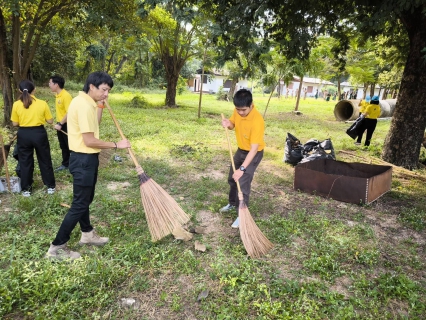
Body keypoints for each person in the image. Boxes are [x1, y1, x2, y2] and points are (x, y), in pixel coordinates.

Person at [46, 71, 131, 260]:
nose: (106, 94)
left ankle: (87, 233)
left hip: (87, 159)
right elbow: (90, 140)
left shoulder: (86, 102)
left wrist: (100, 104)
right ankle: (57, 247)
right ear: (92, 86)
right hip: (83, 158)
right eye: (104, 90)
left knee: (85, 199)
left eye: (108, 91)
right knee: (79, 204)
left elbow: (96, 123)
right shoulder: (83, 105)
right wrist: (116, 145)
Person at [219, 89, 265, 228]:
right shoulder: (238, 110)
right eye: (237, 109)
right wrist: (229, 124)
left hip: (253, 153)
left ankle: (242, 214)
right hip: (241, 150)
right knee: (232, 178)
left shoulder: (257, 121)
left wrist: (242, 169)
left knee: (243, 181)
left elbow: (254, 149)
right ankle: (233, 204)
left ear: (251, 105)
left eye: (243, 110)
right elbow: (233, 124)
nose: (240, 112)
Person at [11, 80, 56, 197]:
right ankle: (50, 186)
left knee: (25, 161)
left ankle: (26, 189)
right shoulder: (42, 103)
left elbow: (15, 123)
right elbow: (50, 121)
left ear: (20, 91)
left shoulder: (16, 104)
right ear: (34, 90)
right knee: (45, 159)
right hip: (39, 133)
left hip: (23, 134)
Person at [49, 75, 73, 171]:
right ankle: (65, 164)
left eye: (50, 83)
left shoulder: (66, 96)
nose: (49, 85)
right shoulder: (57, 95)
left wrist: (60, 124)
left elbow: (69, 112)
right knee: (63, 145)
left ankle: (73, 165)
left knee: (69, 145)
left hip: (66, 124)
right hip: (61, 124)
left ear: (56, 84)